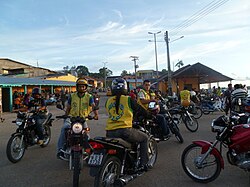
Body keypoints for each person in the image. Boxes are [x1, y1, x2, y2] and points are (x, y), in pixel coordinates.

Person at [105, 78, 150, 170]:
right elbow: (140, 110)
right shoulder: (129, 99)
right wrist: (149, 115)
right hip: (124, 131)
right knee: (144, 138)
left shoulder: (108, 101)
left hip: (109, 132)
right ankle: (143, 164)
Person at [57, 78, 98, 160]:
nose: (81, 88)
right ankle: (60, 150)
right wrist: (65, 115)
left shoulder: (89, 97)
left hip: (83, 119)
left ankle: (89, 152)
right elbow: (68, 107)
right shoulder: (72, 96)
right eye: (80, 86)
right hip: (72, 118)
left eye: (83, 87)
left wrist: (96, 115)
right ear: (77, 87)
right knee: (64, 129)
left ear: (86, 87)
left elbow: (93, 106)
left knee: (86, 135)